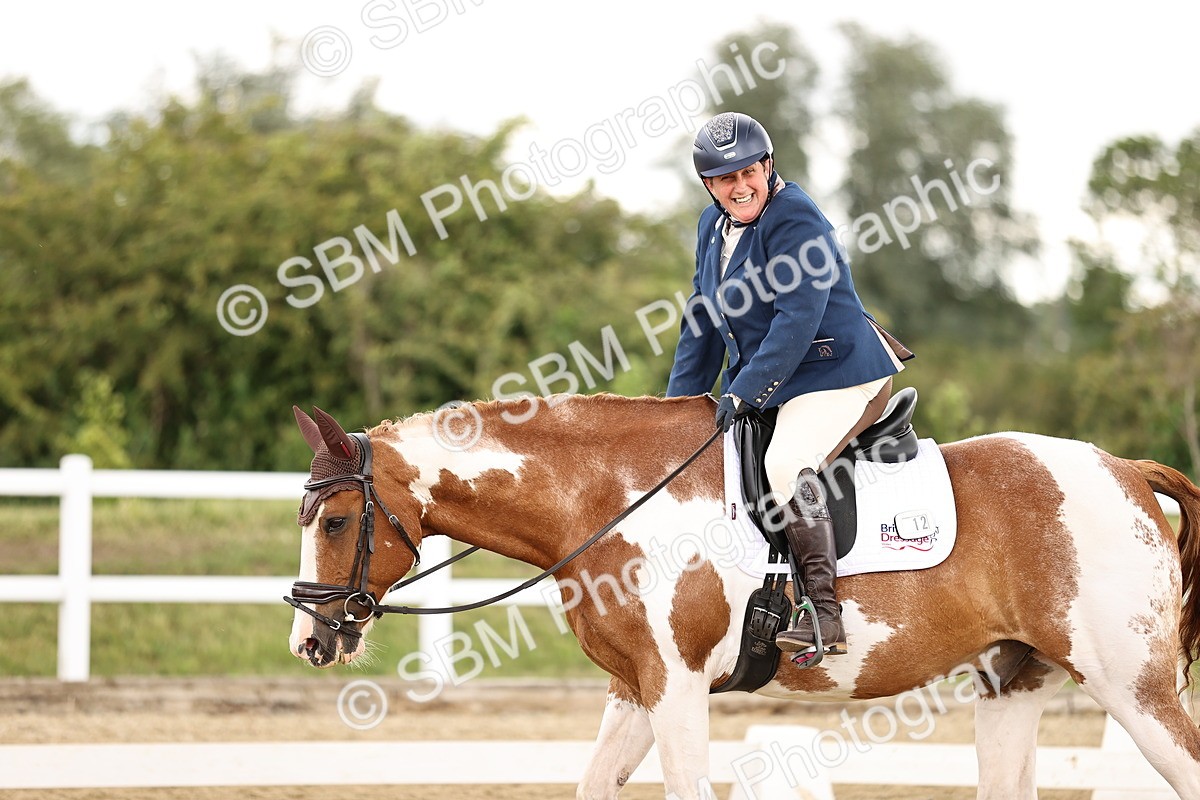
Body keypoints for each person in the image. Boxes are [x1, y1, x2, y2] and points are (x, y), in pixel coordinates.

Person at [666, 111, 913, 658]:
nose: (740, 186)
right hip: (783, 380)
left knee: (784, 465)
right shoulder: (712, 228)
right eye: (725, 179)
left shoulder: (796, 218)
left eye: (749, 172)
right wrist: (674, 411)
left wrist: (742, 391)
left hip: (838, 375)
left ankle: (825, 615)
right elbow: (703, 320)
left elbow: (797, 319)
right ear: (708, 186)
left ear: (768, 165)